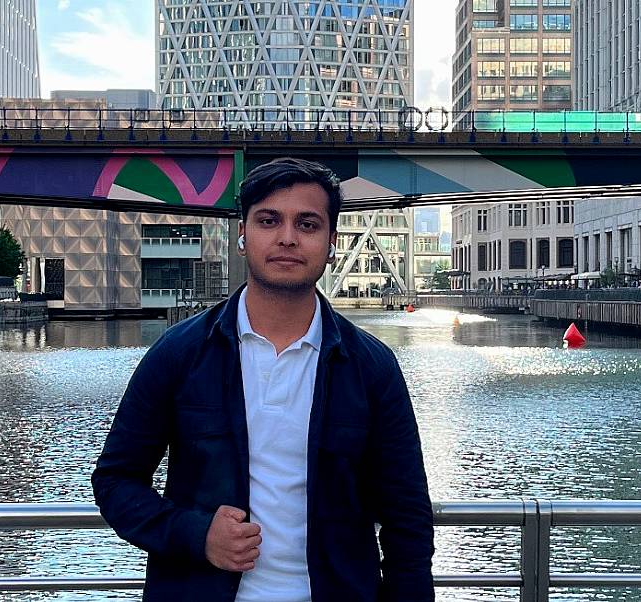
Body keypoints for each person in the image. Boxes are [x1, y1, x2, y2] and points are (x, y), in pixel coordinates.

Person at [92, 158, 434, 602]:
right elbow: (116, 481)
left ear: (332, 242)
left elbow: (406, 517)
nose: (287, 237)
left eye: (307, 224)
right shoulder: (179, 354)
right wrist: (196, 534)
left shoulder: (372, 367)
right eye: (269, 220)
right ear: (242, 234)